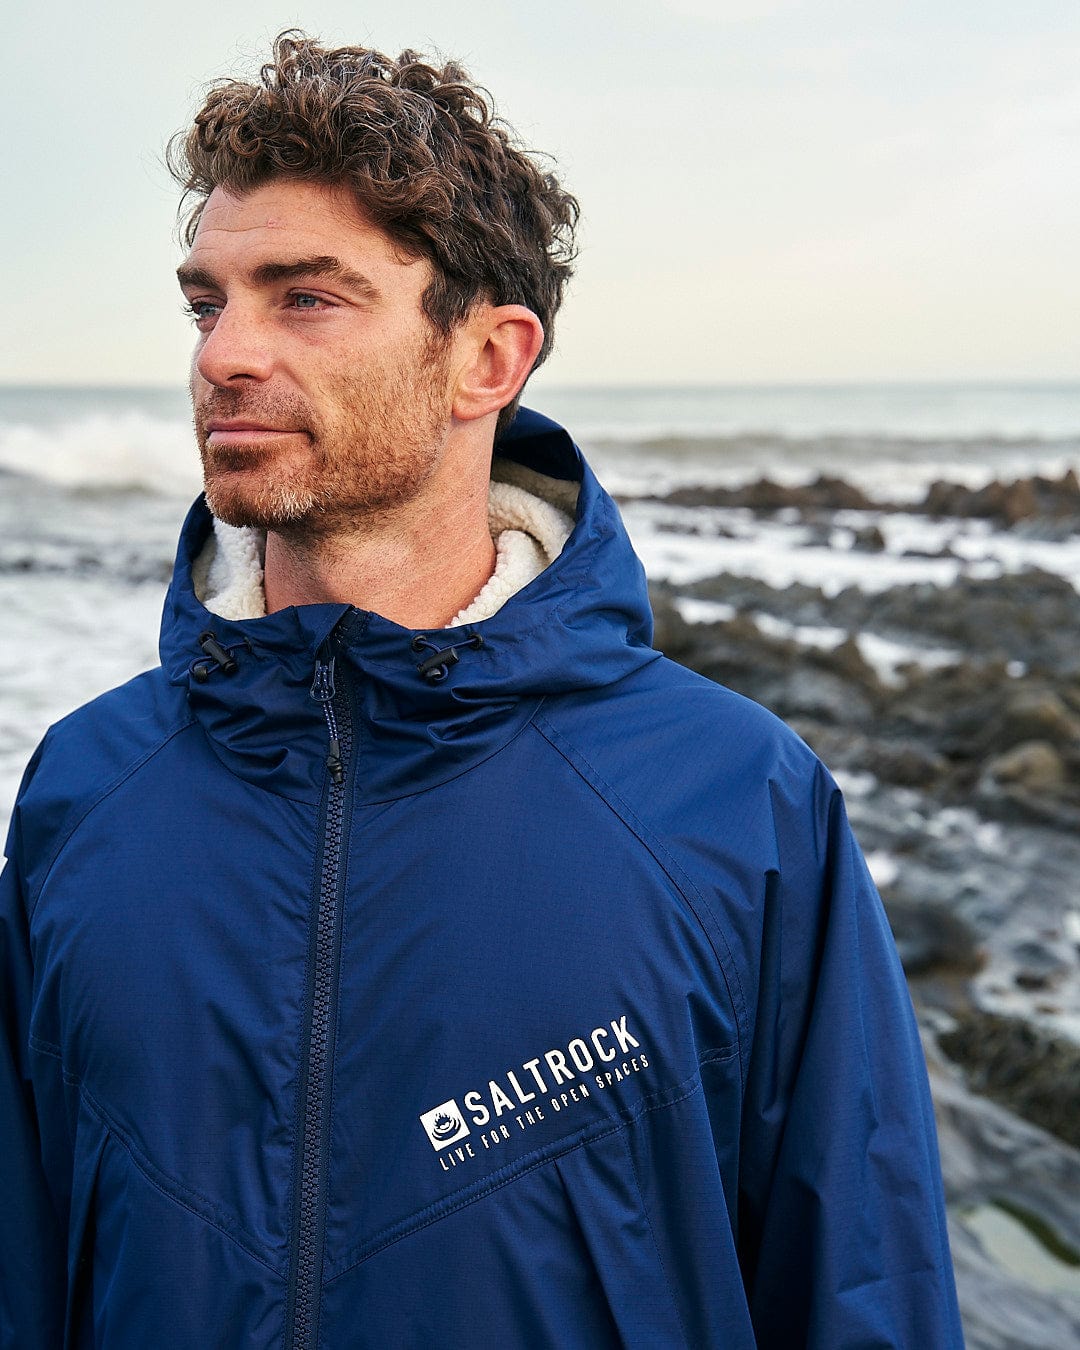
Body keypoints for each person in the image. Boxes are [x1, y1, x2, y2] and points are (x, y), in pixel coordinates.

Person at [1, 32, 963, 1349]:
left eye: (306, 298)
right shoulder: (87, 787)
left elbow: (863, 1291)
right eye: (207, 304)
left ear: (489, 360)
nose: (224, 354)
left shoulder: (734, 802)